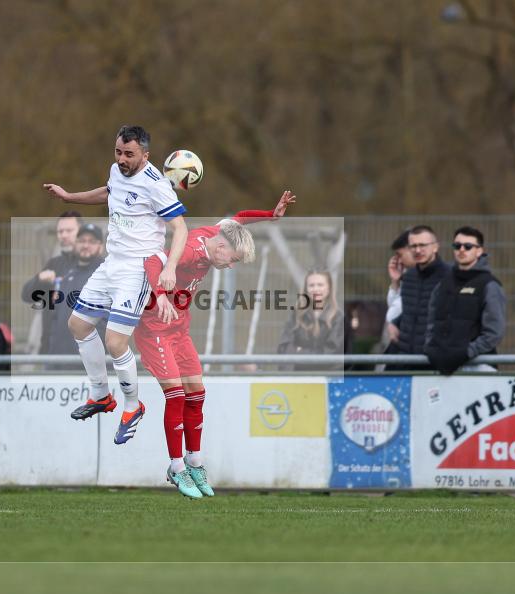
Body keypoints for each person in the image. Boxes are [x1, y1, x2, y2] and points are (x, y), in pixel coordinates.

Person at [137, 191, 294, 498]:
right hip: (155, 329)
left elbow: (240, 218)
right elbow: (153, 261)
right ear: (221, 247)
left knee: (197, 393)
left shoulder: (218, 233)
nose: (231, 266)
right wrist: (161, 294)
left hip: (179, 330)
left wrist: (270, 215)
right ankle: (176, 467)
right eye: (233, 259)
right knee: (176, 396)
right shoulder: (189, 252)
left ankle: (195, 462)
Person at [43, 124, 188, 445]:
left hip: (138, 269)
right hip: (112, 264)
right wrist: (69, 196)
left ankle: (133, 406)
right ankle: (101, 395)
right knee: (78, 325)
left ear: (145, 155)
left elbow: (181, 228)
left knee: (115, 341)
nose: (121, 159)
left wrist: (170, 267)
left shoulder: (156, 185)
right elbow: (109, 192)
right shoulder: (116, 170)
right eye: (118, 152)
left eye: (129, 154)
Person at [424, 227, 506, 375]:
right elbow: (431, 322)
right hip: (442, 367)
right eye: (457, 246)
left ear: (479, 251)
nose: (461, 250)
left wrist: (466, 352)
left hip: (479, 365)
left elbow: (494, 333)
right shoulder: (442, 284)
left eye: (468, 246)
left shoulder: (490, 285)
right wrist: (431, 349)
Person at [387, 225, 450, 370]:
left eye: (422, 245)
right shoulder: (408, 277)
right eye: (413, 246)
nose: (417, 250)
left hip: (433, 363)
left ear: (435, 247)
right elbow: (410, 311)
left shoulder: (450, 277)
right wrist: (394, 323)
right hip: (405, 360)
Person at [21, 211, 83, 354]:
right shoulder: (54, 264)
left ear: (81, 232)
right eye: (60, 231)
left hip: (82, 350)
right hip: (51, 350)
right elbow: (26, 295)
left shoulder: (93, 265)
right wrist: (39, 280)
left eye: (69, 230)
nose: (64, 235)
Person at [45, 223, 106, 359]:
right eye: (82, 241)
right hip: (58, 359)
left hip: (90, 360)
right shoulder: (67, 275)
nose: (86, 245)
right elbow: (55, 317)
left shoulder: (106, 275)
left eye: (92, 241)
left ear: (101, 246)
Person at [277, 269, 348, 370]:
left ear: (329, 288)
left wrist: (300, 353)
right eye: (311, 285)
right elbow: (284, 347)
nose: (315, 289)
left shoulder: (338, 318)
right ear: (306, 289)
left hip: (327, 376)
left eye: (320, 285)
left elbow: (331, 354)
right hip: (298, 375)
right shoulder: (296, 315)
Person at [385, 229, 414, 349]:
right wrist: (395, 282)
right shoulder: (407, 275)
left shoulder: (424, 278)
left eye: (400, 255)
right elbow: (393, 306)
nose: (399, 261)